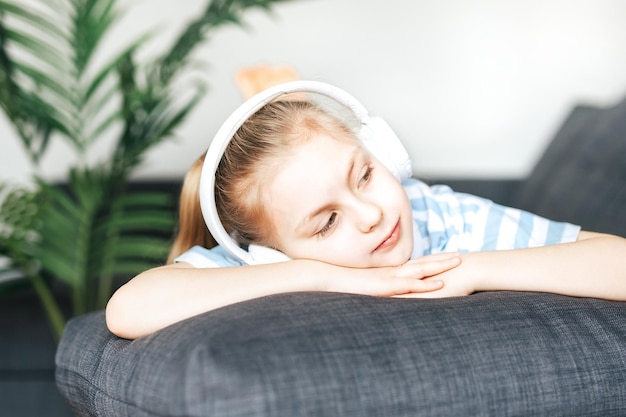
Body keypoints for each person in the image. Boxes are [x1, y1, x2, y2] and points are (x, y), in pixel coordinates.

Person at [106, 98, 626, 340]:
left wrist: (470, 270)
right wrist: (322, 276)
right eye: (326, 222)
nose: (374, 214)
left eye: (364, 176)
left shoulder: (436, 214)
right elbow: (126, 310)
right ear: (269, 253)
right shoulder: (264, 266)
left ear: (386, 154)